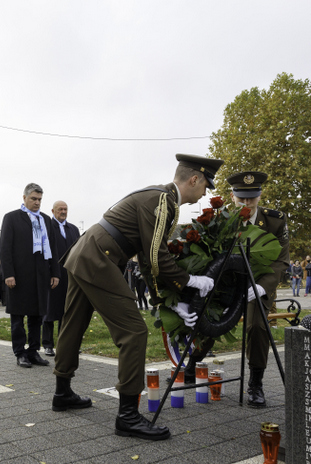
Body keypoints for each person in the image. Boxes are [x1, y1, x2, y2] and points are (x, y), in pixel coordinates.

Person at [52, 154, 222, 440]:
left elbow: (146, 257)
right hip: (99, 258)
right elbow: (157, 258)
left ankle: (62, 392)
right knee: (134, 332)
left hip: (86, 253)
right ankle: (128, 416)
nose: (206, 192)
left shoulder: (159, 196)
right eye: (206, 185)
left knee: (74, 323)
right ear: (194, 179)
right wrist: (190, 281)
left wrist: (166, 301)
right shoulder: (164, 201)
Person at [224, 171, 290, 407]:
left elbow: (281, 260)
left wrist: (262, 287)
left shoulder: (275, 220)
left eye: (251, 198)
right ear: (232, 197)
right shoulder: (222, 220)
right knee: (206, 318)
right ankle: (193, 364)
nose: (246, 203)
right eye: (241, 198)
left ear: (260, 196)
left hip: (260, 281)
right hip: (228, 280)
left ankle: (255, 382)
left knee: (257, 326)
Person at [0, 183, 61, 368]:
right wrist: (9, 274)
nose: (37, 203)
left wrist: (55, 272)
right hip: (18, 277)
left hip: (40, 276)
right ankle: (20, 353)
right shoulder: (12, 218)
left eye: (40, 199)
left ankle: (33, 351)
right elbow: (5, 248)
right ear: (24, 198)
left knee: (37, 317)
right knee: (18, 318)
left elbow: (53, 248)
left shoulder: (45, 220)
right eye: (33, 199)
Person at [42, 200, 80, 357]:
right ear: (53, 211)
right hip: (53, 276)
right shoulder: (47, 228)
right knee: (50, 311)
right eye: (60, 209)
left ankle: (65, 345)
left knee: (68, 311)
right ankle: (47, 344)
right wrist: (50, 273)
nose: (63, 212)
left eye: (65, 209)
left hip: (70, 276)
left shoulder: (73, 229)